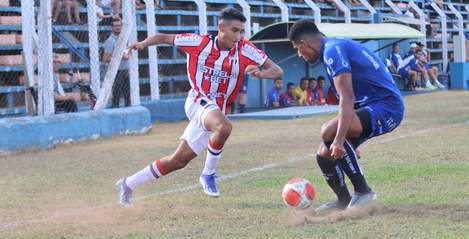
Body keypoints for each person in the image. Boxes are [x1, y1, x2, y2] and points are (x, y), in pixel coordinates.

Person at [116, 8, 283, 205]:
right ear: (221, 28)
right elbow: (163, 37)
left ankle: (128, 184)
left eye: (242, 32)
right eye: (235, 30)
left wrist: (260, 74)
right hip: (198, 101)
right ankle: (208, 175)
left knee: (178, 160)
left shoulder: (245, 49)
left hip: (215, 111)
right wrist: (143, 44)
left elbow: (277, 70)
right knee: (224, 127)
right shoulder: (199, 43)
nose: (239, 36)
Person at [289, 19, 404, 212]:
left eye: (298, 50)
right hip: (371, 107)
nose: (300, 55)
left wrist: (341, 139)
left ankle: (363, 191)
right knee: (324, 155)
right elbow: (348, 100)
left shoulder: (332, 51)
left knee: (328, 132)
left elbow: (347, 97)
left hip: (386, 107)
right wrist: (348, 140)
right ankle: (343, 200)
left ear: (304, 43)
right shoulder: (334, 47)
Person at [103, 17, 131, 108]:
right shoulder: (110, 41)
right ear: (112, 28)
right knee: (117, 94)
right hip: (116, 71)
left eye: (119, 25)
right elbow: (106, 58)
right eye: (116, 26)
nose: (118, 27)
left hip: (125, 69)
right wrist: (121, 57)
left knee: (128, 94)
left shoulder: (124, 40)